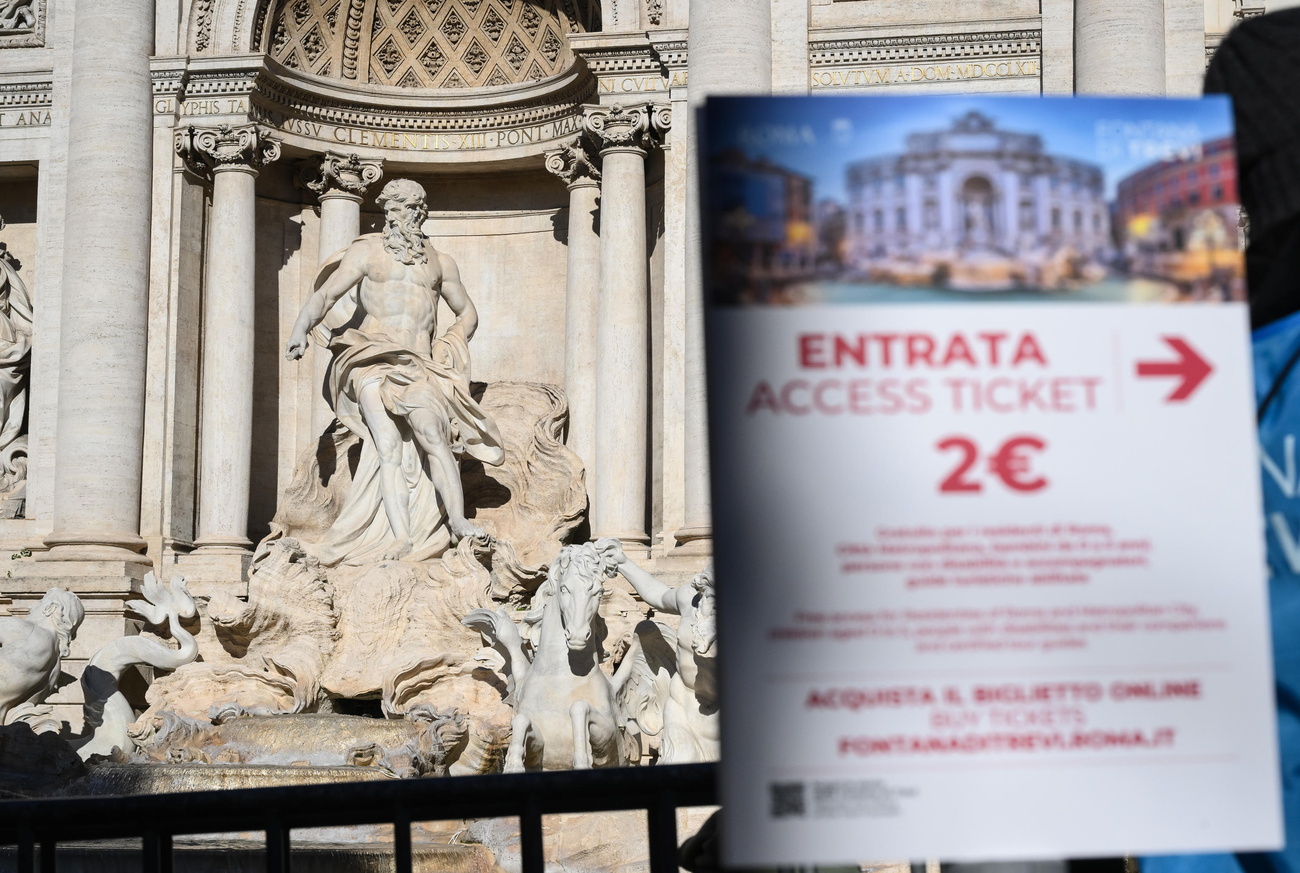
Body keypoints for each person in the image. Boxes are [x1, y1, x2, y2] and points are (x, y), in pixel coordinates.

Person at [286, 179, 503, 565]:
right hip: (369, 357)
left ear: (418, 212)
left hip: (418, 363)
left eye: (399, 209)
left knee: (434, 435)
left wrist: (449, 346)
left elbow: (467, 313)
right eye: (387, 209)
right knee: (385, 446)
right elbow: (327, 295)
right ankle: (401, 536)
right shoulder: (367, 252)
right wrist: (300, 328)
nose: (391, 216)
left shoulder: (440, 263)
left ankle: (456, 520)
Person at [596, 538, 719, 763]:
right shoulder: (689, 600)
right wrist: (623, 562)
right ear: (703, 590)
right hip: (683, 704)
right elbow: (657, 594)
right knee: (680, 767)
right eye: (712, 598)